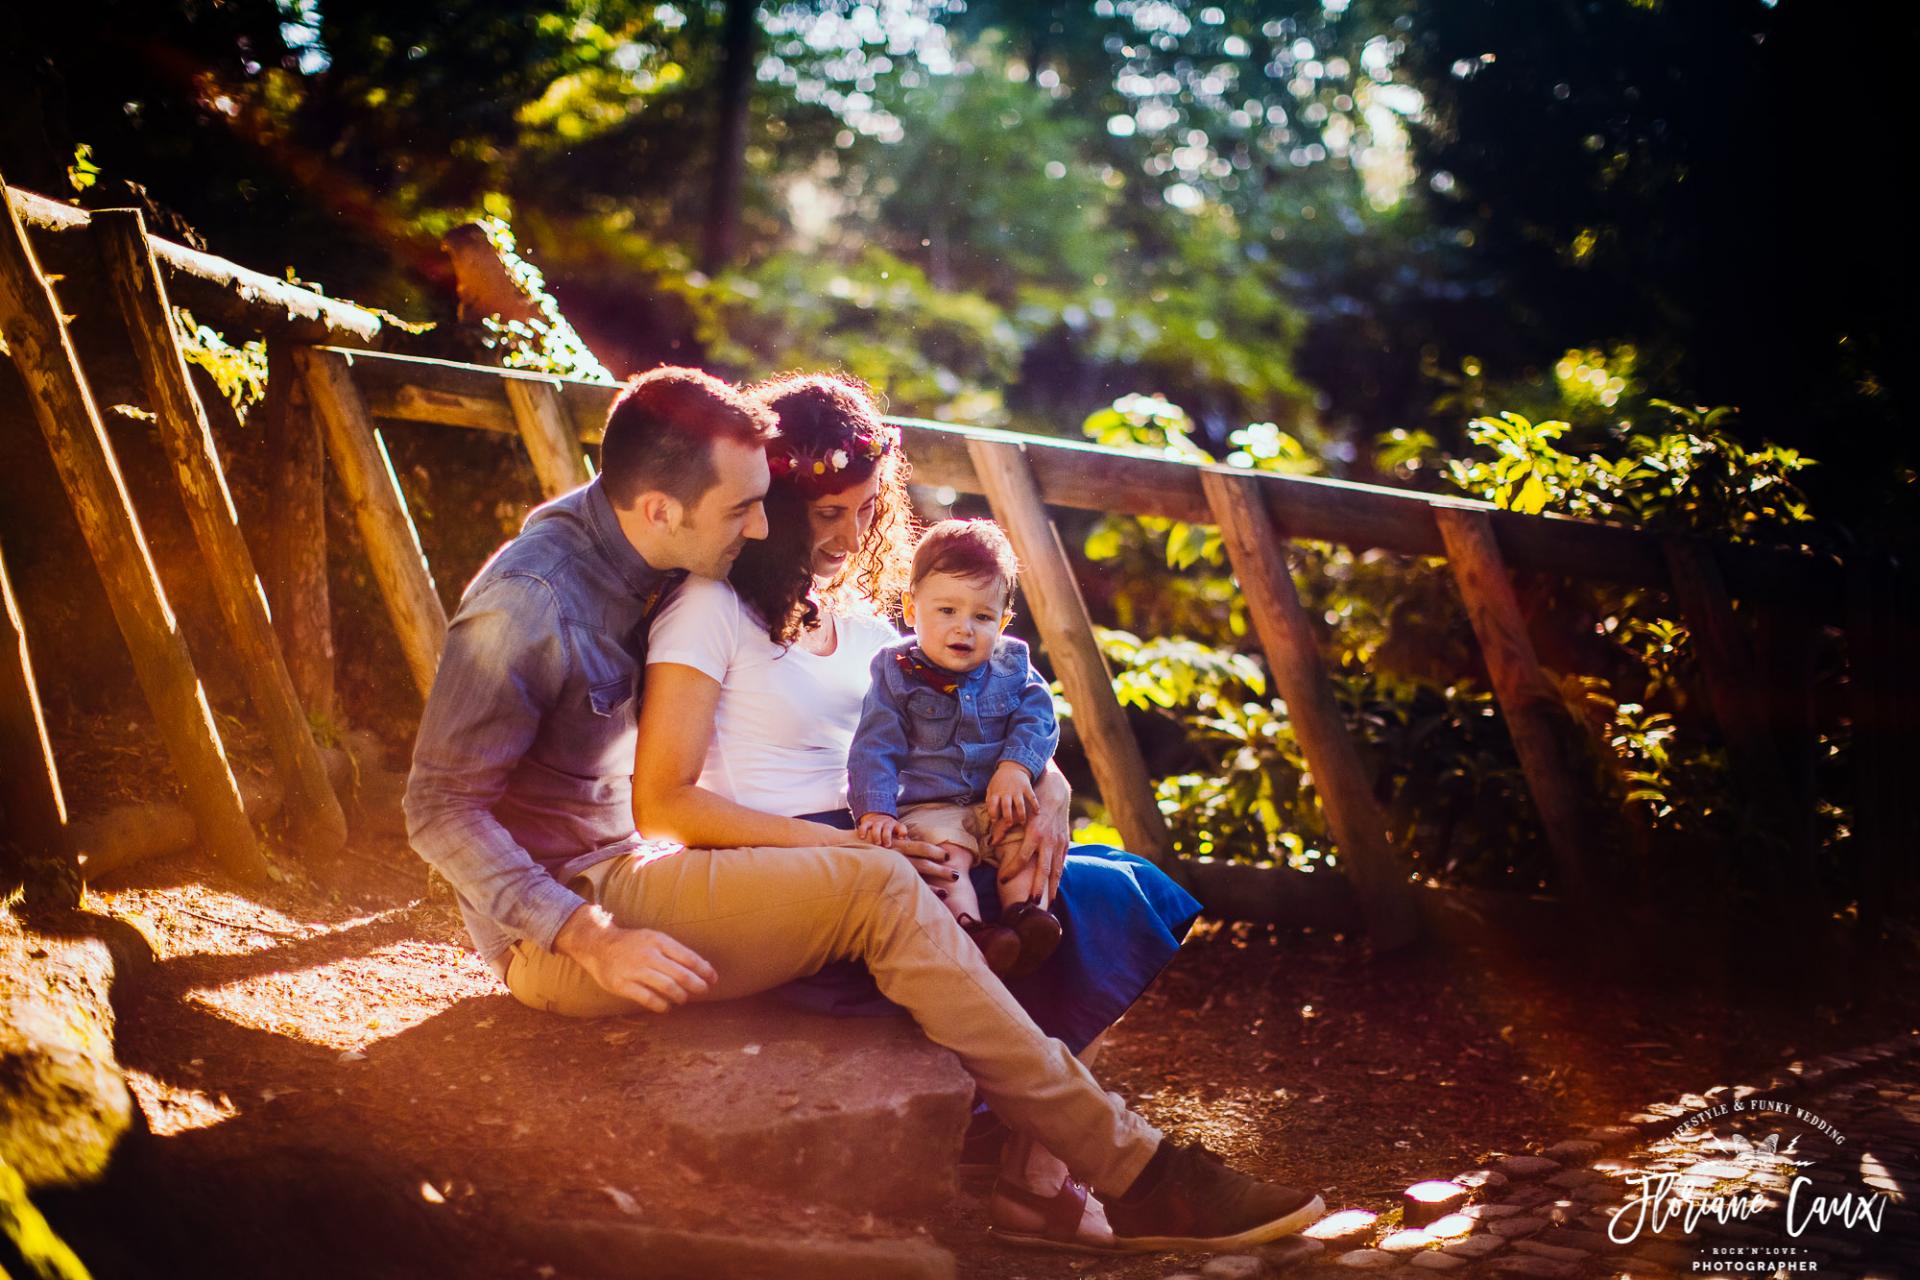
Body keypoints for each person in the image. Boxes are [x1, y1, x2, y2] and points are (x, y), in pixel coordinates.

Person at [405, 365, 1325, 1254]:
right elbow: (439, 809)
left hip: (646, 870)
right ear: (660, 512)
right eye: (746, 508)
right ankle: (1137, 1170)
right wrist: (589, 936)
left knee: (1067, 883)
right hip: (565, 919)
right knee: (882, 882)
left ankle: (1040, 1170)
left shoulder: (659, 548)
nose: (768, 525)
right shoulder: (533, 604)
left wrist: (1041, 786)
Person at [848, 517, 1064, 977]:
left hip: (998, 797)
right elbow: (874, 748)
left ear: (1003, 622)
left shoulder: (1012, 664)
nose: (963, 629)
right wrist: (877, 811)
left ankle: (1027, 918)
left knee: (1023, 841)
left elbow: (1039, 717)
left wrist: (1017, 767)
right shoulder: (894, 671)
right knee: (944, 857)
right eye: (946, 611)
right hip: (931, 805)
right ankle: (973, 930)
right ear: (911, 608)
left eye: (982, 617)